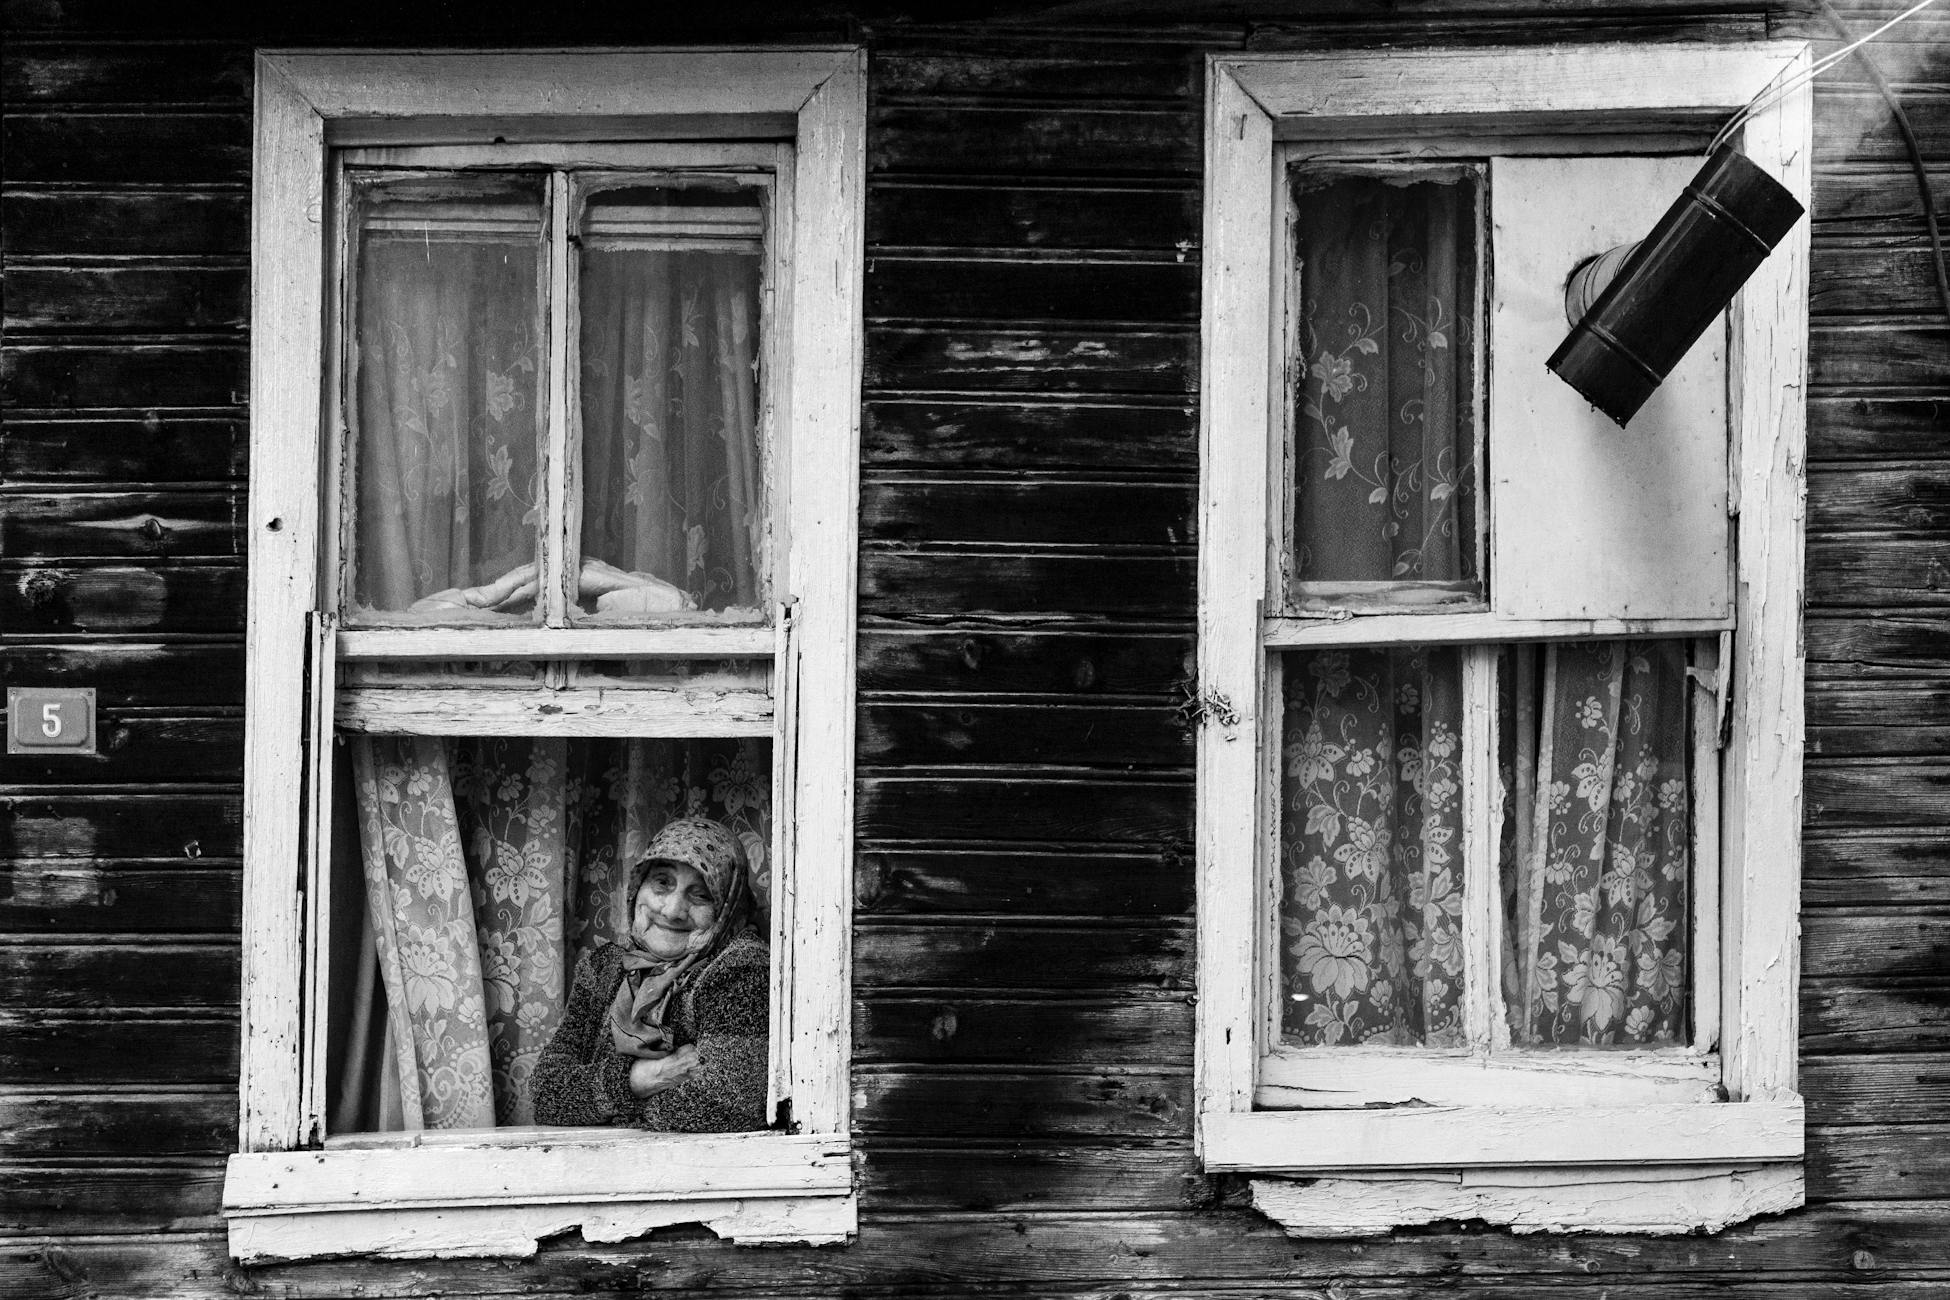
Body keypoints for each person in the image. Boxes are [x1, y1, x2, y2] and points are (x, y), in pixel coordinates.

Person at [530, 817, 768, 1130]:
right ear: (639, 886)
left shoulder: (741, 969)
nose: (671, 910)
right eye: (662, 883)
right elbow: (546, 1095)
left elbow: (730, 1102)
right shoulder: (604, 968)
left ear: (726, 905)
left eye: (701, 895)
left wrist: (595, 1104)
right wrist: (647, 1077)